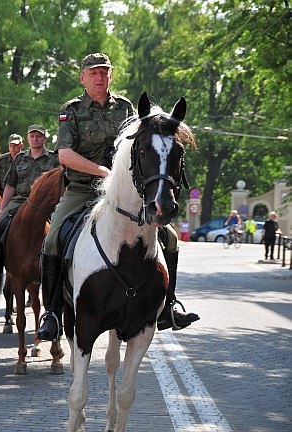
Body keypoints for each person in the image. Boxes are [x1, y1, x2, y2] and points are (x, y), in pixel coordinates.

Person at [37, 53, 199, 341]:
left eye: (104, 72)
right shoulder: (71, 110)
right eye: (93, 72)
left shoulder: (127, 108)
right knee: (52, 239)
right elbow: (65, 155)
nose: (99, 77)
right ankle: (51, 310)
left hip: (124, 193)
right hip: (82, 189)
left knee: (170, 237)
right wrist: (102, 171)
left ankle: (168, 305)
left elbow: (146, 148)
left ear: (111, 76)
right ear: (82, 78)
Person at [0, 124, 59, 268]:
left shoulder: (53, 159)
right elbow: (10, 185)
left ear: (44, 138)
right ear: (27, 139)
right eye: (32, 136)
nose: (35, 139)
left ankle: (56, 269)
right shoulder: (19, 158)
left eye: (38, 136)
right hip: (19, 201)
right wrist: (2, 209)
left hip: (46, 204)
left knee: (59, 232)